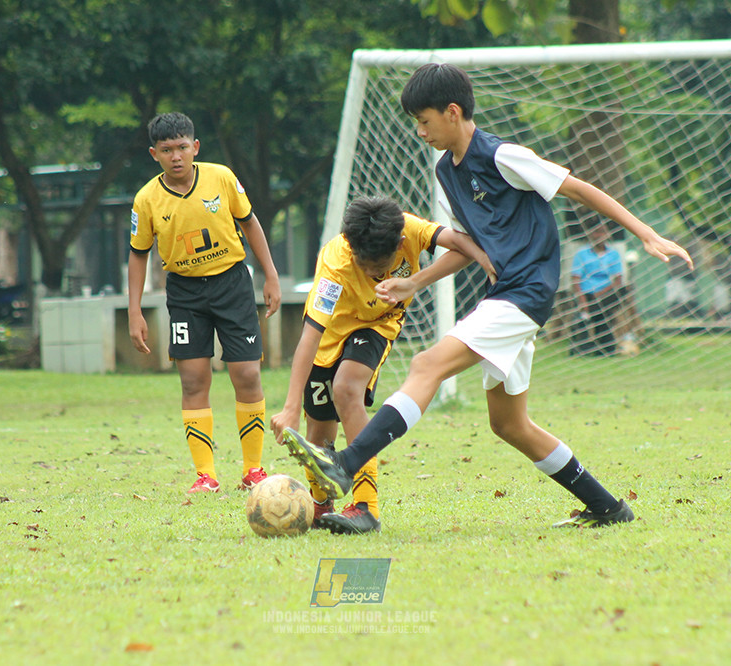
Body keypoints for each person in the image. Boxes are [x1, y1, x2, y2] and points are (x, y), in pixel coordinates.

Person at [280, 63, 693, 528]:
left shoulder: (502, 156)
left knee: (425, 365)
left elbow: (576, 188)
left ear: (452, 112)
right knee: (509, 424)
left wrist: (646, 234)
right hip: (508, 296)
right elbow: (469, 245)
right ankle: (607, 507)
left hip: (525, 292)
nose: (420, 132)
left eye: (424, 121)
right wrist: (415, 282)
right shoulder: (445, 170)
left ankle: (346, 463)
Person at [269, 195, 493, 534]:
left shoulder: (411, 230)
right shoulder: (335, 262)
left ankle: (365, 507)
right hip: (329, 335)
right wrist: (289, 409)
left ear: (400, 242)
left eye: (381, 265)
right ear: (350, 246)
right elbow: (310, 336)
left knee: (347, 389)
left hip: (376, 325)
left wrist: (474, 264)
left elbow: (465, 245)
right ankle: (320, 505)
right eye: (366, 265)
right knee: (318, 430)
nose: (374, 272)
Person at [128, 112, 281, 493]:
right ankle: (206, 476)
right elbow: (138, 254)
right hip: (184, 292)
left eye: (182, 147)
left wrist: (271, 275)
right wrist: (135, 311)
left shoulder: (221, 178)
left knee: (246, 375)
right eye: (167, 150)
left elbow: (250, 223)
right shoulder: (146, 199)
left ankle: (253, 471)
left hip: (233, 285)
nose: (176, 156)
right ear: (154, 154)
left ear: (195, 147)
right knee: (193, 379)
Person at [570, 222, 623, 356]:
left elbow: (618, 280)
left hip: (605, 293)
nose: (600, 236)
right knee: (589, 316)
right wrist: (582, 299)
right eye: (596, 232)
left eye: (602, 232)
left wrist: (601, 293)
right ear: (590, 235)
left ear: (607, 235)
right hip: (586, 292)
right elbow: (575, 279)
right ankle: (585, 347)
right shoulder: (582, 254)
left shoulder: (613, 254)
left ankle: (603, 348)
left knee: (602, 315)